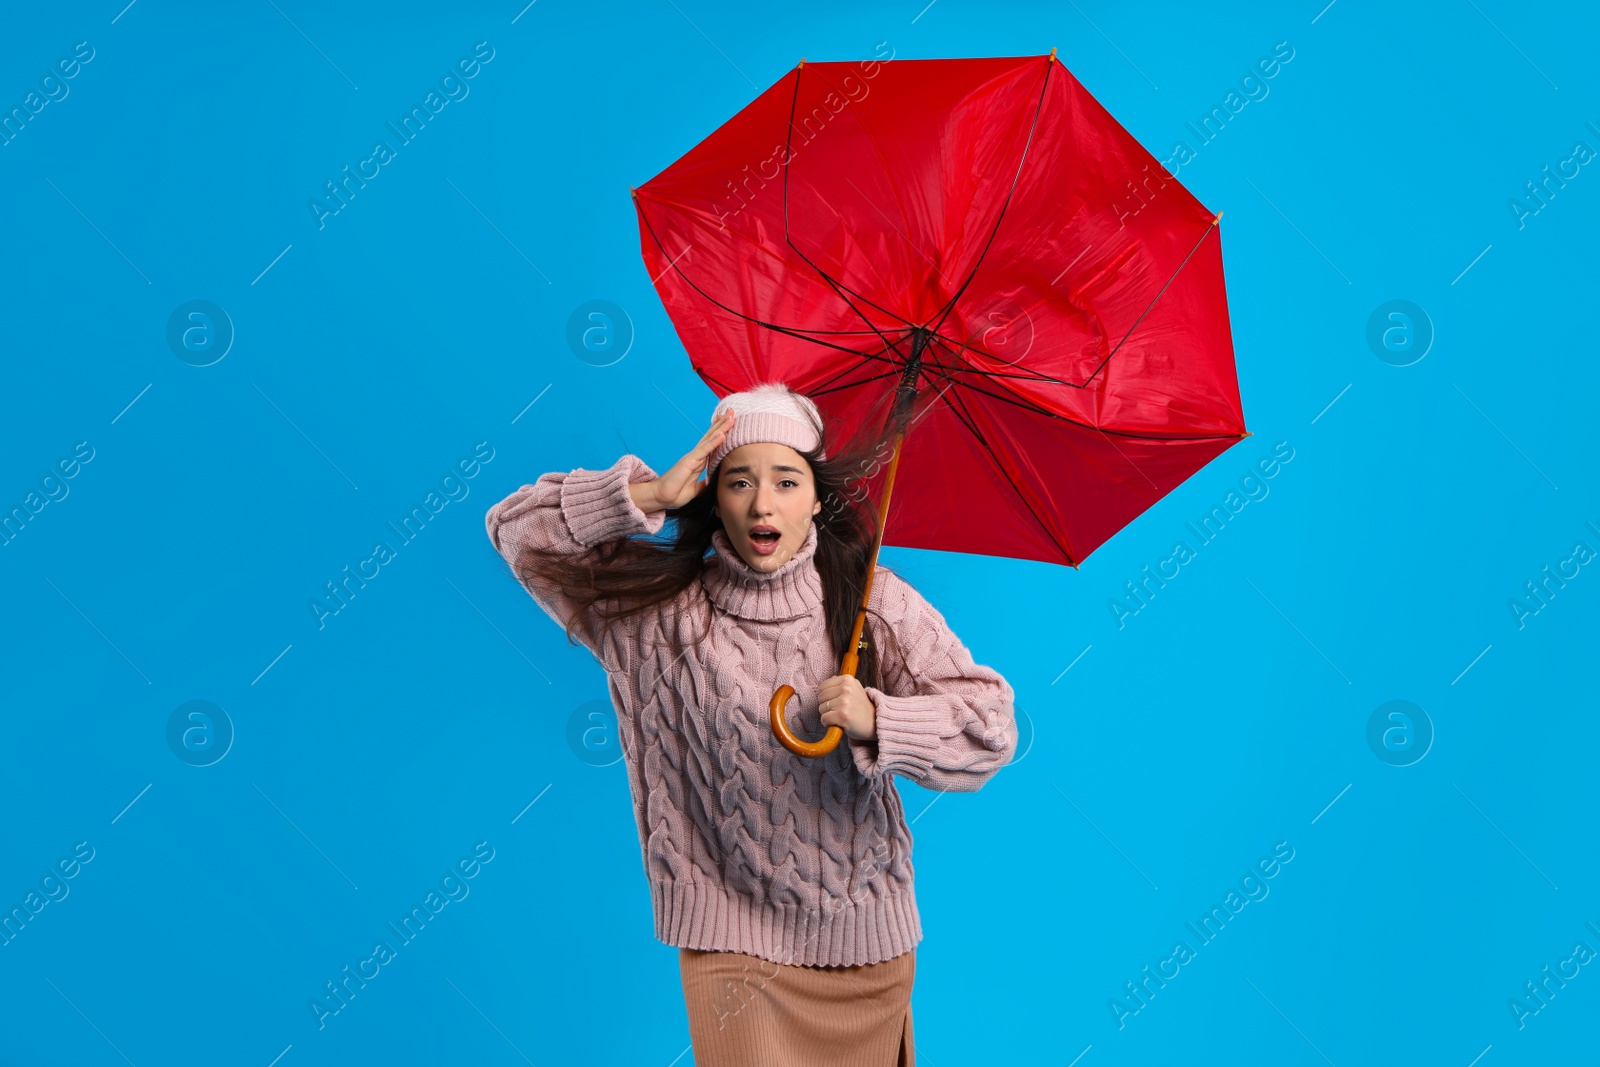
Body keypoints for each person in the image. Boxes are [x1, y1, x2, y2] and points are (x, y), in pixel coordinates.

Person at [483, 382, 1017, 1065]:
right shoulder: (656, 615)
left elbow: (991, 728)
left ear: (818, 498)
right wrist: (646, 495)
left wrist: (879, 718)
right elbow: (515, 533)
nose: (763, 503)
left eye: (787, 481)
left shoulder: (868, 601)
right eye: (739, 481)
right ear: (714, 495)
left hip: (865, 947)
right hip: (731, 945)